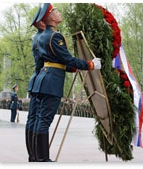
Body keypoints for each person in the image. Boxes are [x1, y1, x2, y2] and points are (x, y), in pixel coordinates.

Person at [32, 3, 101, 162]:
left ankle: (37, 157)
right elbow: (66, 58)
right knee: (45, 120)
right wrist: (89, 65)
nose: (58, 13)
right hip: (51, 82)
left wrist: (73, 68)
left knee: (41, 119)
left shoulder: (42, 36)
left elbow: (54, 60)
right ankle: (42, 160)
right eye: (55, 11)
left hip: (44, 78)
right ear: (51, 18)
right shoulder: (55, 36)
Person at [25, 6, 46, 162]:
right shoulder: (42, 38)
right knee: (38, 119)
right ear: (41, 23)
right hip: (41, 80)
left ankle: (33, 155)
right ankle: (37, 157)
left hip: (35, 80)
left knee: (32, 119)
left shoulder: (37, 38)